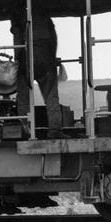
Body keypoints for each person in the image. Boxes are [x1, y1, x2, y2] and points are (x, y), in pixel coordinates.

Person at [11, 8, 68, 139]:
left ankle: (24, 131)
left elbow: (17, 37)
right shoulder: (44, 14)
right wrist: (52, 57)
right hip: (46, 55)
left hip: (26, 56)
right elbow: (53, 37)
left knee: (23, 98)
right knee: (51, 97)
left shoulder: (17, 13)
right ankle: (54, 130)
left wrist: (17, 59)